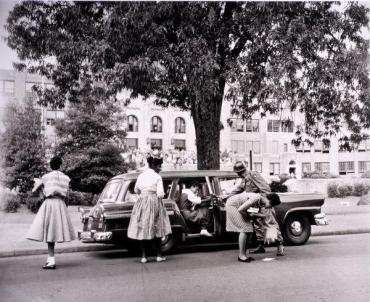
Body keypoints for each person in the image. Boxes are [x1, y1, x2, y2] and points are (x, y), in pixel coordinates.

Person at [26, 156, 75, 269]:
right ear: (61, 165)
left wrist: (42, 192)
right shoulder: (66, 178)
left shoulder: (46, 177)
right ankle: (50, 259)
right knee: (54, 232)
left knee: (50, 232)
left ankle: (51, 260)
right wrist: (64, 207)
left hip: (49, 203)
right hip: (60, 204)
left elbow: (34, 190)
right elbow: (67, 196)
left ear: (50, 166)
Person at [226, 161, 285, 256]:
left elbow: (266, 189)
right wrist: (227, 196)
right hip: (255, 203)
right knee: (257, 224)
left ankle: (279, 244)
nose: (238, 175)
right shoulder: (245, 179)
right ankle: (261, 245)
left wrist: (265, 202)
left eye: (238, 173)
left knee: (269, 224)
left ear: (242, 171)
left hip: (264, 203)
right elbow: (239, 189)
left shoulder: (253, 175)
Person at [127, 153, 172, 263]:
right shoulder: (157, 177)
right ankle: (158, 255)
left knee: (142, 227)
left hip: (142, 201)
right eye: (159, 166)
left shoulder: (141, 175)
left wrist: (144, 193)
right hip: (154, 201)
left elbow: (136, 190)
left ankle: (144, 256)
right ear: (155, 166)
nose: (160, 169)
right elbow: (160, 194)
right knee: (157, 227)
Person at [225, 192, 281, 262]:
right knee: (245, 229)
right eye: (272, 205)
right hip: (233, 205)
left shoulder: (260, 203)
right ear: (269, 200)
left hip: (238, 207)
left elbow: (251, 213)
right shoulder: (256, 198)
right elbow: (241, 210)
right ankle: (241, 255)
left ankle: (243, 255)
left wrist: (259, 216)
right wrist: (250, 216)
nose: (271, 207)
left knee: (250, 230)